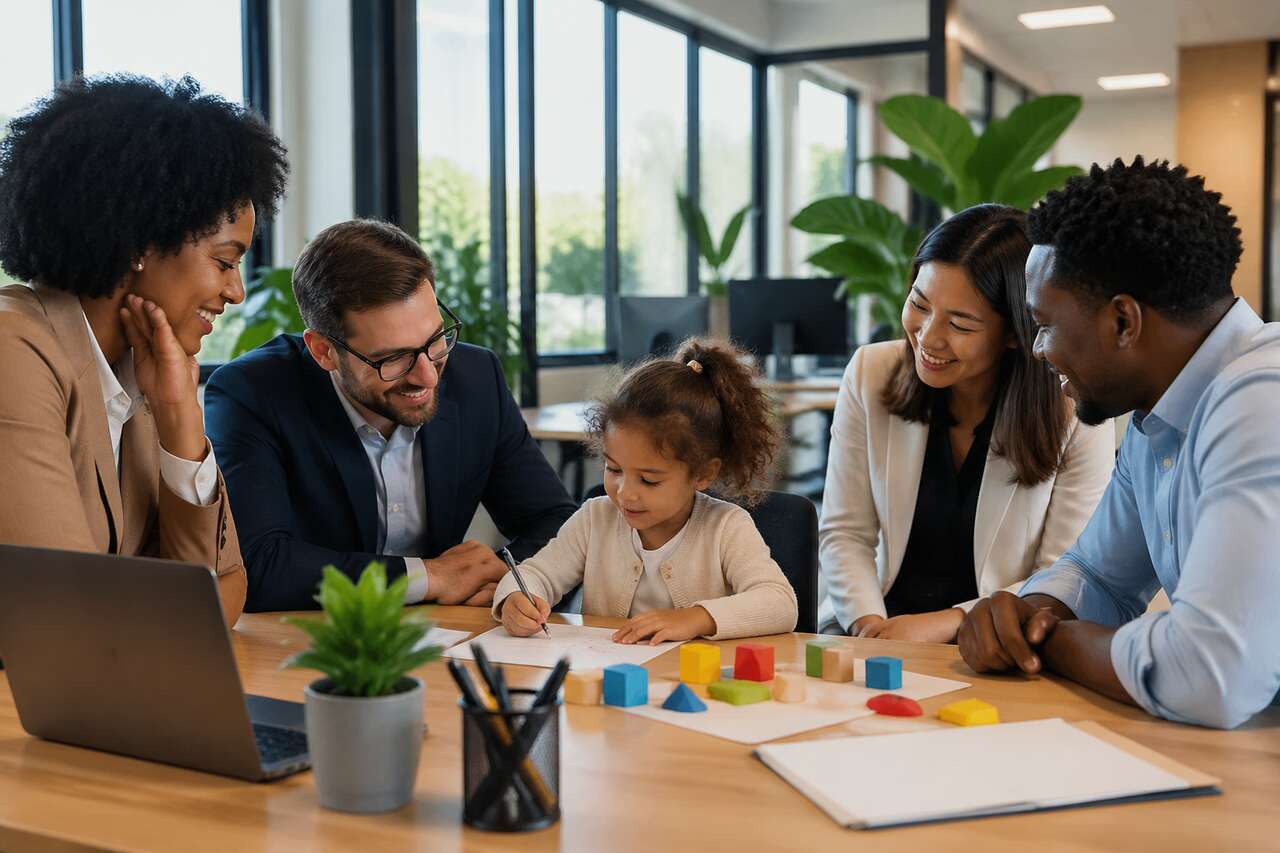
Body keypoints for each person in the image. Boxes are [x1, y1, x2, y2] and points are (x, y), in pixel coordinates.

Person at [957, 157, 1280, 729]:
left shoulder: (1261, 400)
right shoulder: (1160, 413)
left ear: (1124, 323)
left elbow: (1210, 676)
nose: (1037, 349)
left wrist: (1053, 645)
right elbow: (1100, 575)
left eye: (1045, 323)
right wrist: (1031, 614)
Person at [0, 75, 289, 626]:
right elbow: (66, 615)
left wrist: (181, 421)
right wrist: (177, 613)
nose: (235, 292)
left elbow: (227, 593)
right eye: (226, 261)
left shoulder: (146, 373)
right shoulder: (14, 349)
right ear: (138, 243)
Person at [205, 219, 577, 612]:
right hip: (309, 642)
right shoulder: (251, 393)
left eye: (436, 340)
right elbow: (259, 564)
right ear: (324, 352)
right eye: (393, 358)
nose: (427, 375)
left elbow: (555, 522)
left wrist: (512, 581)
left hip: (448, 636)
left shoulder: (477, 378)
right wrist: (431, 577)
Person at [818, 204, 1115, 642]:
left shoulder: (1073, 406)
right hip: (876, 617)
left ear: (1015, 333)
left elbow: (1064, 575)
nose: (928, 337)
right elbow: (845, 531)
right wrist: (870, 625)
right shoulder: (871, 371)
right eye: (919, 304)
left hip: (998, 631)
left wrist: (949, 623)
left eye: (960, 324)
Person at [495, 338, 798, 643]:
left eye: (649, 480)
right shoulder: (593, 520)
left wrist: (696, 618)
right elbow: (535, 574)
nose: (625, 493)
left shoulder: (727, 528)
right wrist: (515, 599)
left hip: (693, 683)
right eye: (614, 469)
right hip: (607, 679)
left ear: (704, 473)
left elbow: (780, 603)